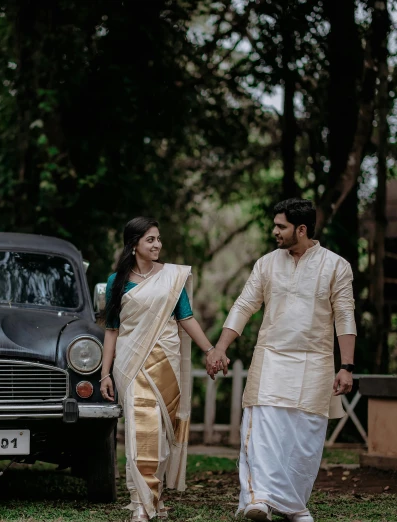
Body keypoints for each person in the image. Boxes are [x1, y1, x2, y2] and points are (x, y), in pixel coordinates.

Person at [206, 199, 356, 522]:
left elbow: (345, 316)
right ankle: (257, 498)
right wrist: (220, 347)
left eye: (281, 226)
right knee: (261, 430)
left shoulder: (336, 267)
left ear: (301, 230)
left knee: (305, 440)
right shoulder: (266, 264)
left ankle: (292, 505)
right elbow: (244, 305)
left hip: (315, 363)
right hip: (271, 358)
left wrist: (347, 366)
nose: (274, 231)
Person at [100, 217, 223, 521]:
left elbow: (186, 318)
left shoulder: (171, 278)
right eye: (150, 240)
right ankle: (142, 504)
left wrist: (210, 349)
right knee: (142, 430)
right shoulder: (116, 281)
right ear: (134, 245)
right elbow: (112, 330)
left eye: (158, 239)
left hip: (166, 361)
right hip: (131, 363)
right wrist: (104, 372)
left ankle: (154, 498)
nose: (157, 245)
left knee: (162, 437)